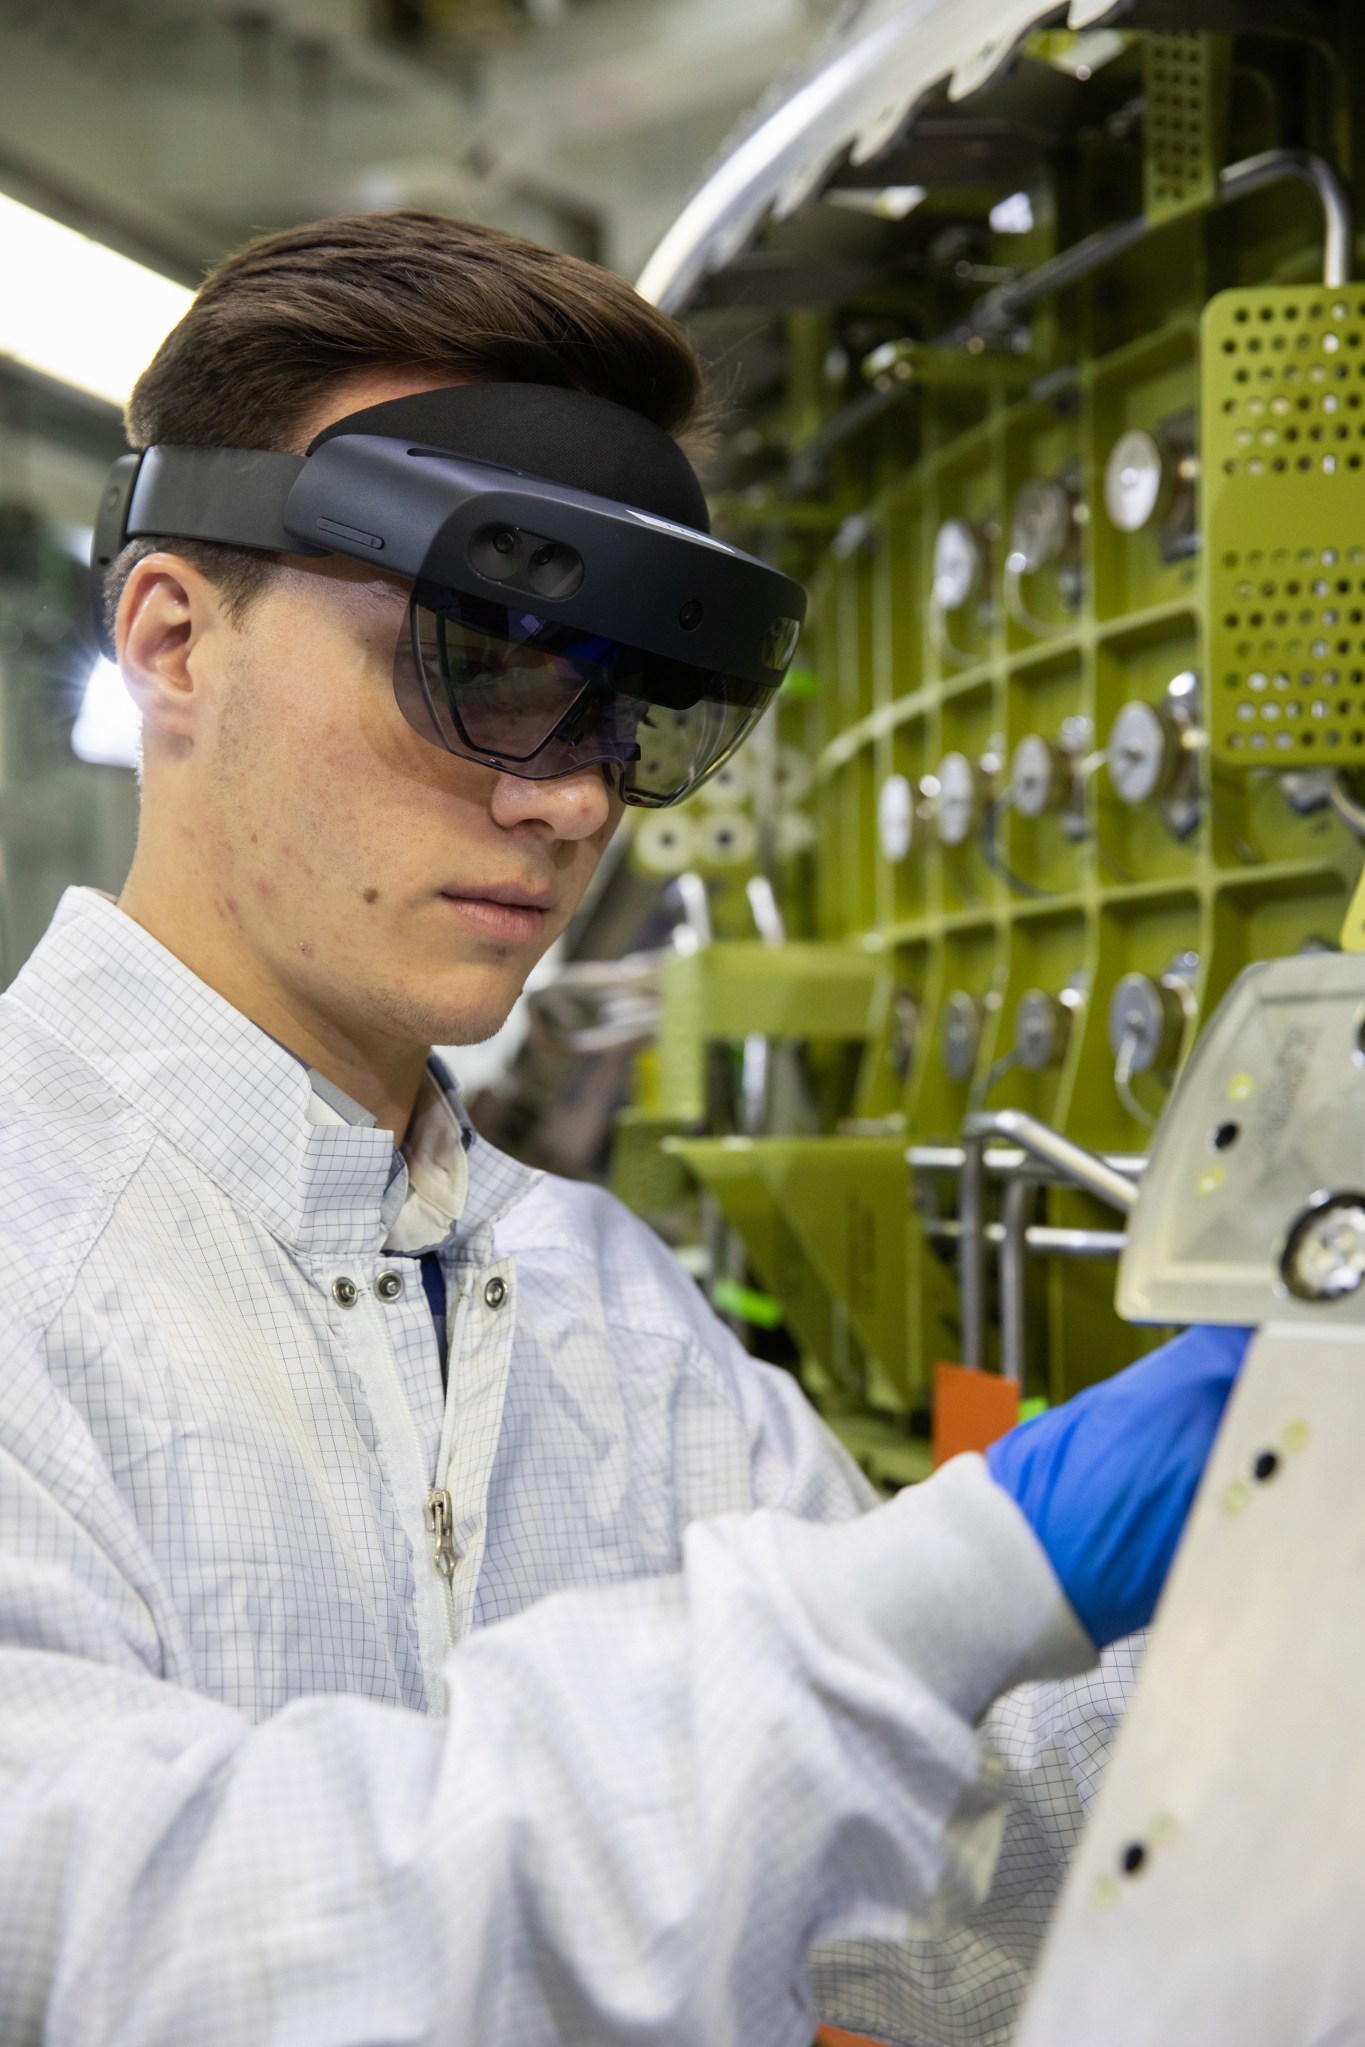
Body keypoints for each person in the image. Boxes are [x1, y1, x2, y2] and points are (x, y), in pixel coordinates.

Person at [0, 209, 1247, 2046]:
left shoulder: (612, 1314)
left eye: (626, 705)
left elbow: (953, 1857)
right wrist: (987, 1562)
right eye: (487, 665)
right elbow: (144, 1946)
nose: (575, 794)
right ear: (174, 641)